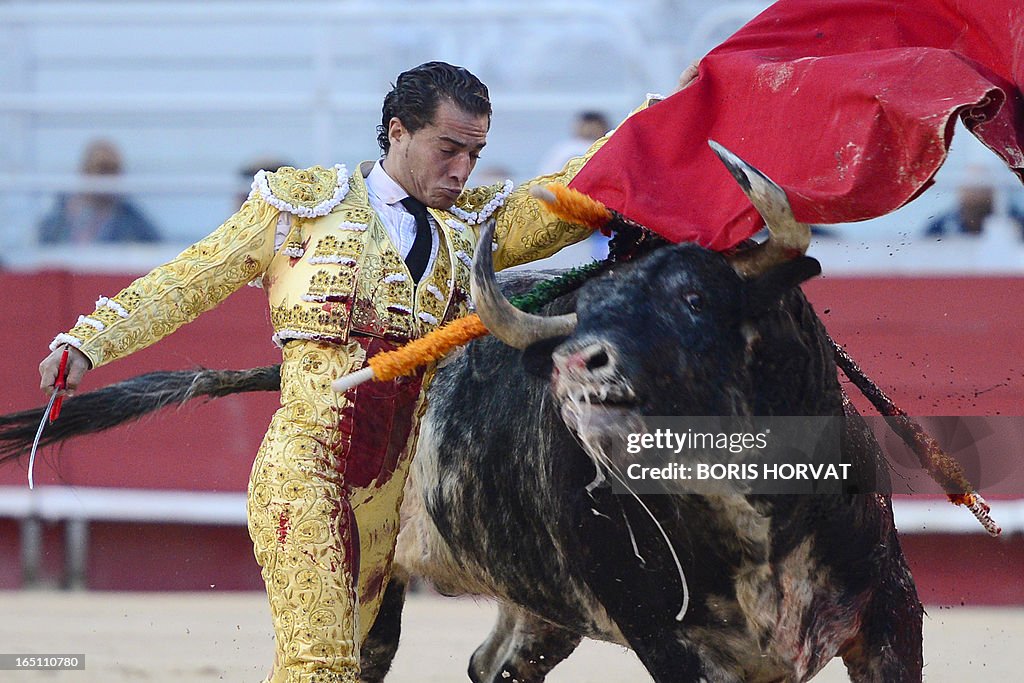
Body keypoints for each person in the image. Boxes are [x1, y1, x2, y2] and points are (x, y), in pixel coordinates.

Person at [37, 61, 650, 683]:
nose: (462, 169)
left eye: (475, 152)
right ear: (397, 132)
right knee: (319, 666)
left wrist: (670, 111)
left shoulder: (470, 226)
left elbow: (577, 190)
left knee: (339, 669)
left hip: (387, 499)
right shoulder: (301, 207)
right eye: (448, 149)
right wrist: (88, 341)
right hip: (305, 474)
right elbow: (191, 279)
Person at [37, 139, 160, 244]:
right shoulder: (58, 220)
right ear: (85, 170)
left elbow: (157, 251)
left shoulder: (131, 220)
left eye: (114, 170)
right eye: (103, 168)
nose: (109, 177)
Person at [923, 165, 1024, 239]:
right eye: (971, 188)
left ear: (992, 192)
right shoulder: (941, 227)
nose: (976, 194)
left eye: (982, 186)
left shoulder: (1015, 221)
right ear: (961, 192)